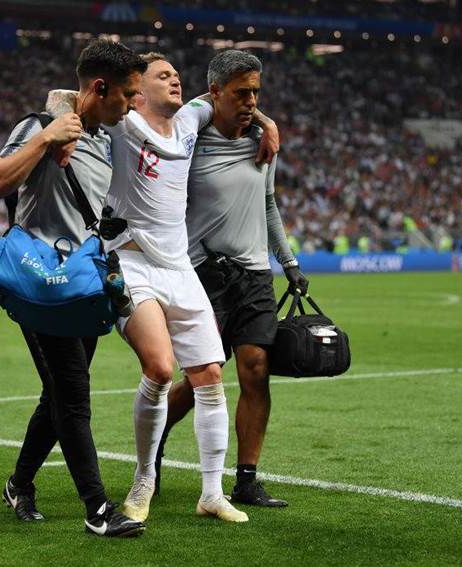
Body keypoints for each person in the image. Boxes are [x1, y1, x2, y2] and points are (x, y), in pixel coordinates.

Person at [48, 51, 279, 524]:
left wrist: (269, 124)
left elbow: (231, 99)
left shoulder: (193, 117)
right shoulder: (124, 123)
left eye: (177, 73)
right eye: (162, 75)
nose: (175, 80)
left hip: (181, 268)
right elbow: (63, 97)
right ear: (137, 89)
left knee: (210, 377)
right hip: (131, 261)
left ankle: (212, 494)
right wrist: (61, 128)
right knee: (158, 367)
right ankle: (143, 481)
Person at [0, 39, 147, 538]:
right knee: (74, 394)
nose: (133, 102)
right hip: (41, 282)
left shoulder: (105, 135)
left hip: (83, 282)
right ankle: (97, 509)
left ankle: (19, 483)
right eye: (127, 94)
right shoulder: (37, 127)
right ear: (100, 88)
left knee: (56, 395)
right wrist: (48, 134)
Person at [154, 50, 306, 508]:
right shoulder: (190, 138)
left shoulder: (263, 141)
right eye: (242, 93)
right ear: (216, 91)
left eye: (257, 93)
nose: (251, 101)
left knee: (256, 370)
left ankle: (246, 479)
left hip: (257, 274)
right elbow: (192, 107)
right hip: (206, 272)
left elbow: (268, 204)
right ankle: (154, 443)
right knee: (205, 374)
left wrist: (290, 263)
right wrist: (264, 116)